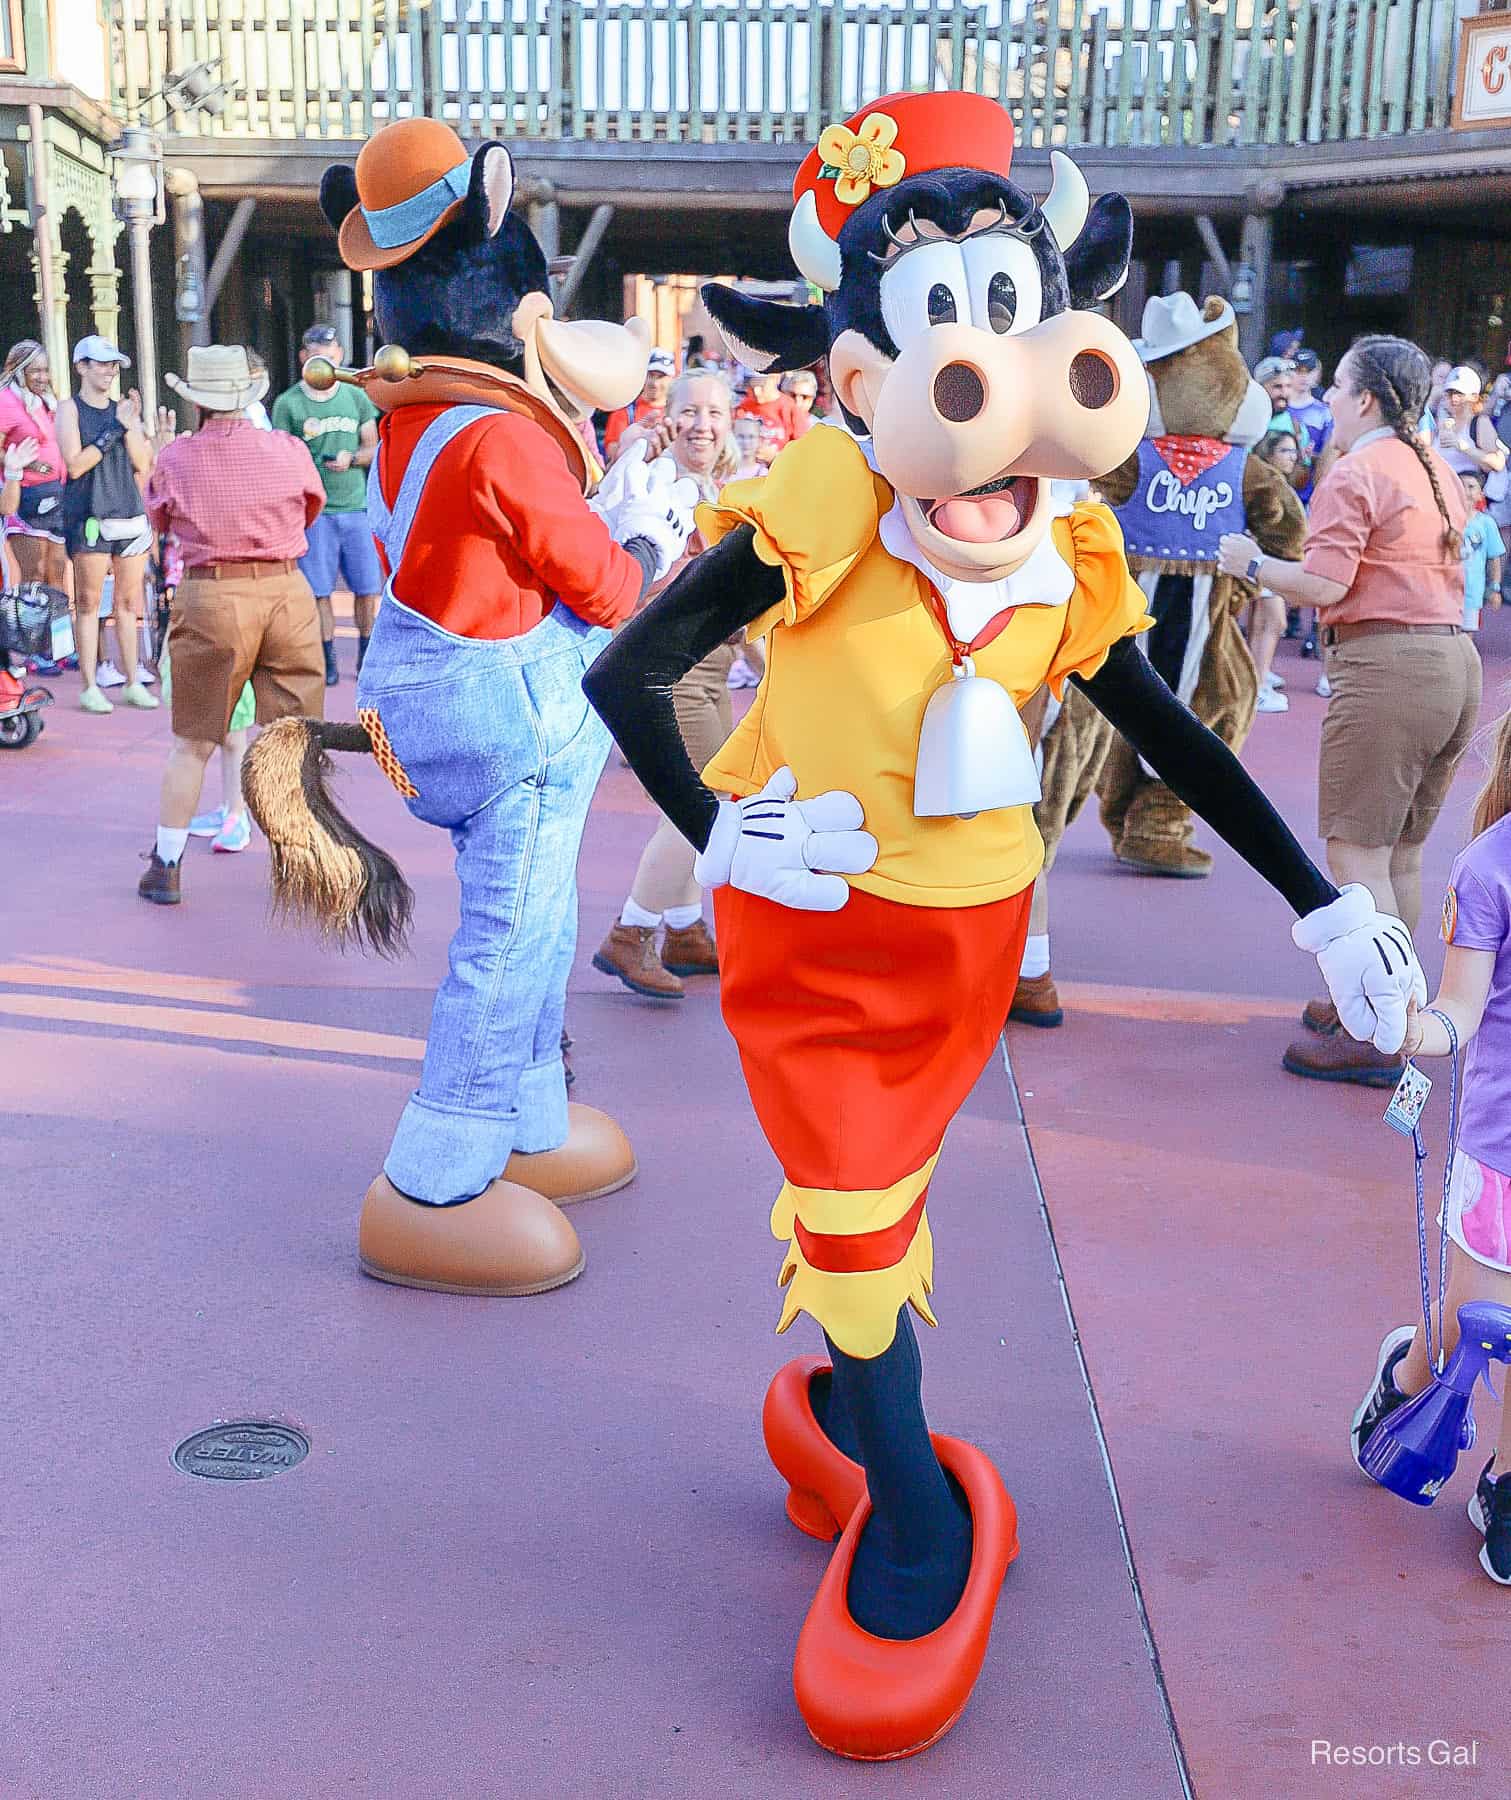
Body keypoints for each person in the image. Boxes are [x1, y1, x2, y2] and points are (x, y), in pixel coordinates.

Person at [1219, 333, 1481, 1086]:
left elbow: (1326, 586)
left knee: (1356, 853)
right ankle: (1383, 1003)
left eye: (1336, 386)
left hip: (1388, 666)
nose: (1327, 398)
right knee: (1398, 852)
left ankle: (1376, 1030)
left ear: (1364, 398)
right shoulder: (1431, 463)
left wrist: (1251, 565)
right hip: (1449, 661)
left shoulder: (1358, 469)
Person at [1351, 705, 1511, 1582]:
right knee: (1466, 1331)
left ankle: (1506, 1484)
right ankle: (1409, 1371)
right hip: (1499, 1154)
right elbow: (1458, 1006)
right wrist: (1419, 1030)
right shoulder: (1487, 868)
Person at [138, 344, 327, 904]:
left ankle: (167, 865)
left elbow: (159, 518)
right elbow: (310, 508)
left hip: (214, 593)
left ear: (197, 400)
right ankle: (307, 862)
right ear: (248, 396)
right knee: (293, 736)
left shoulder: (177, 457)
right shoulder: (288, 448)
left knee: (194, 740)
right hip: (288, 590)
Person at [593, 368, 744, 999]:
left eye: (714, 412)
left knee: (692, 801)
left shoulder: (722, 488)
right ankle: (632, 932)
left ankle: (683, 929)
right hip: (669, 669)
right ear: (668, 415)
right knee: (704, 807)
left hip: (710, 668)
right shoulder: (655, 486)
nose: (702, 424)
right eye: (691, 411)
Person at [56, 336, 162, 714]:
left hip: (128, 512)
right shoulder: (69, 409)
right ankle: (90, 684)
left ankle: (133, 680)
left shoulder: (123, 411)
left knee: (129, 602)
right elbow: (74, 463)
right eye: (101, 364)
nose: (108, 371)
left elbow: (142, 462)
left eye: (113, 364)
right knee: (87, 601)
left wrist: (131, 425)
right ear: (81, 366)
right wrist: (114, 430)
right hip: (89, 514)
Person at [271, 323, 382, 685]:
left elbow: (374, 447)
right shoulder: (288, 403)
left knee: (368, 588)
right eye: (315, 351)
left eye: (329, 352)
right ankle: (327, 658)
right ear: (304, 356)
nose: (323, 357)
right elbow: (282, 456)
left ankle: (366, 653)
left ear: (340, 356)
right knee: (319, 591)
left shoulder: (356, 397)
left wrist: (352, 457)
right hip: (315, 512)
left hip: (356, 506)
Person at [0, 340, 68, 591]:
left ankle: (59, 630)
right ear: (19, 371)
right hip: (26, 496)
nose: (43, 377)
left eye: (46, 370)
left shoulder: (46, 402)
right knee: (34, 574)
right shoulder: (5, 401)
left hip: (57, 494)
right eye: (36, 371)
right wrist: (23, 462)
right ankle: (34, 631)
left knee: (57, 573)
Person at [1248, 428, 1301, 713]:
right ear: (1268, 453)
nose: (1292, 457)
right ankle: (1256, 687)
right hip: (1265, 557)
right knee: (1274, 621)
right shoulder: (1267, 484)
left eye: (1294, 451)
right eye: (1284, 451)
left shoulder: (1273, 482)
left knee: (1262, 623)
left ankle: (1257, 679)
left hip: (1266, 558)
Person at [602, 347, 674, 459]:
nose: (654, 383)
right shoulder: (624, 412)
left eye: (660, 377)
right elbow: (612, 452)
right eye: (650, 375)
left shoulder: (675, 412)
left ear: (671, 379)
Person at [1459, 471, 1506, 634]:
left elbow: (1494, 558)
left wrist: (1495, 588)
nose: (1465, 491)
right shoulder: (1445, 519)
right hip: (1445, 591)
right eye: (1460, 485)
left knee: (1466, 636)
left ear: (1480, 495)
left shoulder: (1486, 523)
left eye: (1471, 487)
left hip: (1471, 593)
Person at [1289, 348, 1334, 502]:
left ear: (1317, 374)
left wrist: (1310, 457)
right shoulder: (1276, 406)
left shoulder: (1325, 413)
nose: (1304, 376)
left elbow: (1329, 454)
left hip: (1308, 495)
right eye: (1298, 370)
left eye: (1308, 371)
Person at [735, 367, 799, 464]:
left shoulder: (790, 407)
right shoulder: (742, 407)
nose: (756, 392)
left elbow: (802, 450)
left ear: (775, 379)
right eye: (751, 386)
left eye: (762, 385)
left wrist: (775, 457)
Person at [780, 368, 820, 438]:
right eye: (793, 395)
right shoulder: (766, 425)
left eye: (804, 397)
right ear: (782, 394)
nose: (798, 403)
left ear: (812, 399)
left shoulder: (821, 432)